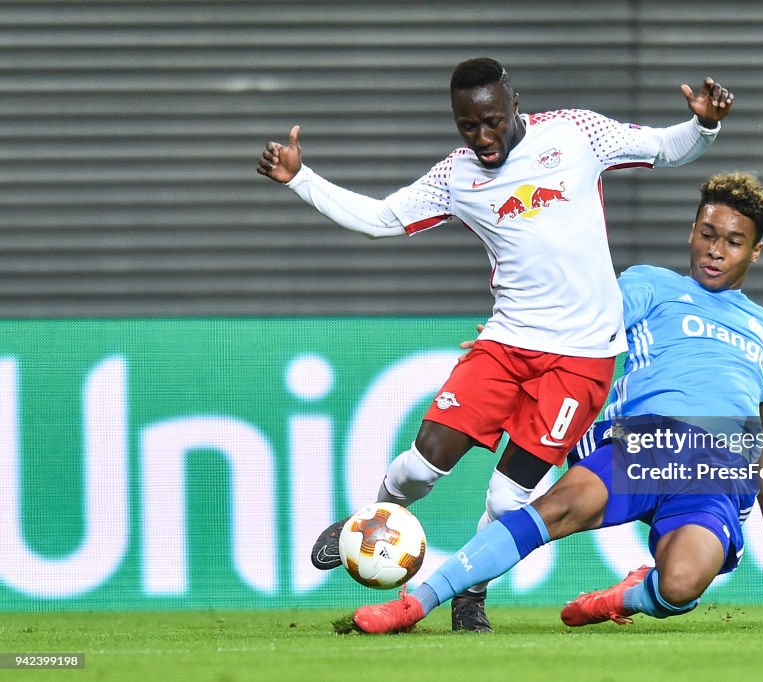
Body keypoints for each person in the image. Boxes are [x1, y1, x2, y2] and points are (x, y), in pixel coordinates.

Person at [258, 57, 734, 632]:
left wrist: (703, 126)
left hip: (582, 359)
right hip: (507, 342)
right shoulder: (456, 177)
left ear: (514, 104)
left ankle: (470, 595)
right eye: (467, 126)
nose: (483, 138)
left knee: (511, 500)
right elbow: (382, 219)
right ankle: (373, 518)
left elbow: (665, 147)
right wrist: (302, 179)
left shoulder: (576, 134)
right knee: (424, 461)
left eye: (491, 121)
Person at [345, 171, 763, 635]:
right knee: (549, 511)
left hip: (719, 470)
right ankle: (414, 604)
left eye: (733, 241)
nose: (715, 250)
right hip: (650, 443)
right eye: (708, 234)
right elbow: (580, 323)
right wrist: (516, 338)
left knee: (681, 586)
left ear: (757, 251)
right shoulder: (652, 285)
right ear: (692, 231)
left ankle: (624, 598)